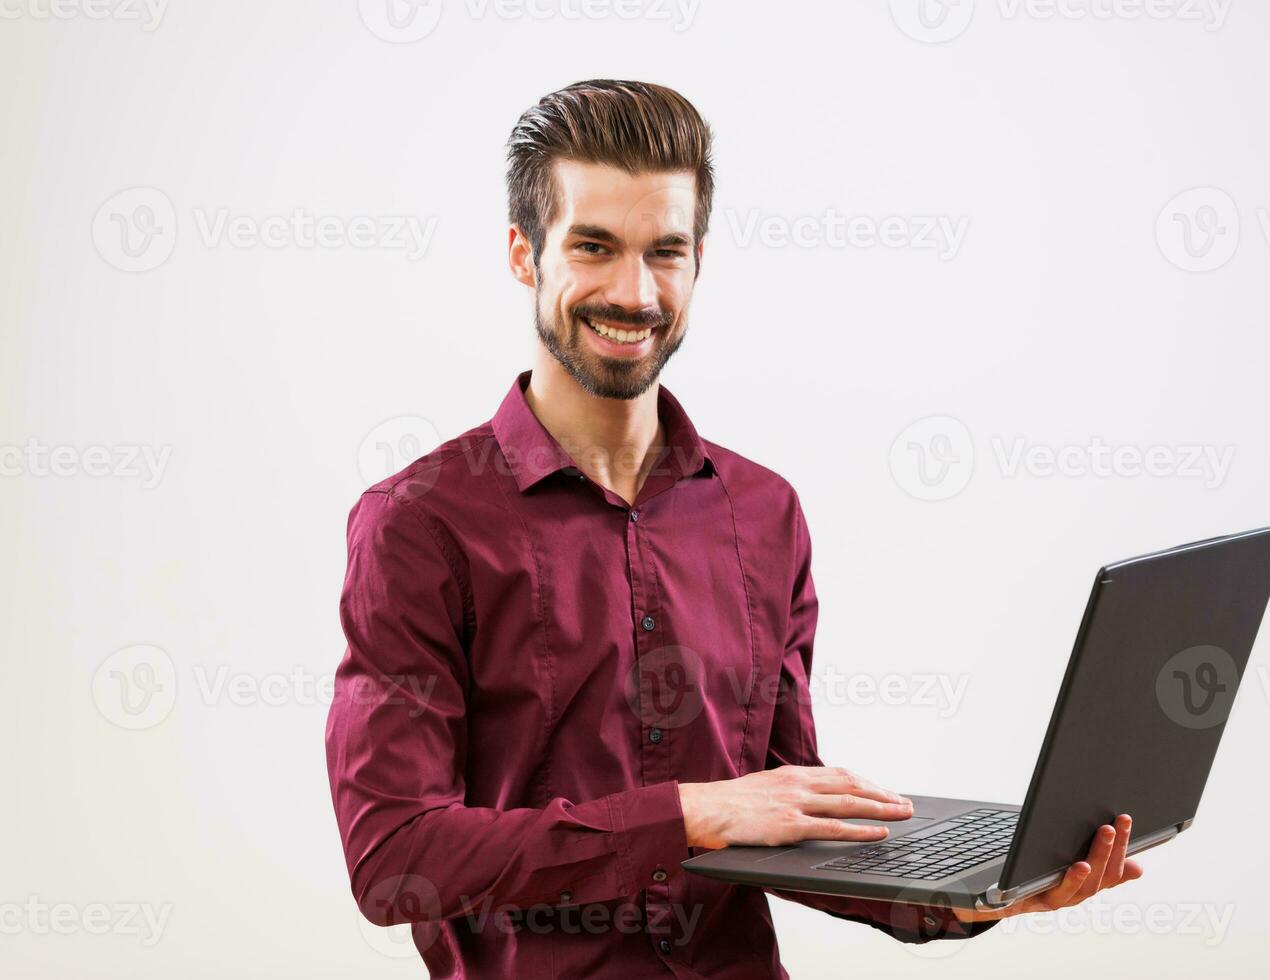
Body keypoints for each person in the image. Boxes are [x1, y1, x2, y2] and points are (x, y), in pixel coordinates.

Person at [324, 78, 1142, 979]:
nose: (635, 293)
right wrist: (685, 815)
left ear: (699, 259)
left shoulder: (764, 512)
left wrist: (981, 889)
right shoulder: (420, 526)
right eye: (593, 246)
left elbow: (783, 816)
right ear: (525, 254)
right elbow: (393, 858)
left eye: (665, 251)